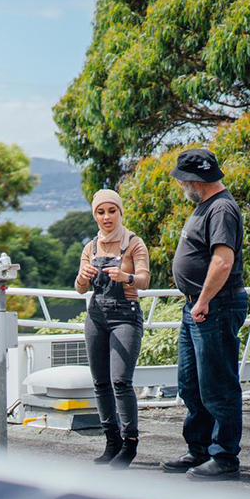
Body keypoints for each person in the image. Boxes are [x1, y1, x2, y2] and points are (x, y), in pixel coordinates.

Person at [161, 148, 250, 480]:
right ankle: (198, 450)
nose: (182, 185)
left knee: (218, 384)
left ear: (196, 180)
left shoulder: (222, 208)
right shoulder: (205, 206)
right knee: (191, 383)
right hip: (197, 305)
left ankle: (225, 457)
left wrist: (203, 301)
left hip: (214, 305)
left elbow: (223, 260)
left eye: (184, 180)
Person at [75, 189, 151, 468]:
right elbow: (80, 288)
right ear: (95, 215)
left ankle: (130, 442)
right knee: (100, 382)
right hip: (96, 316)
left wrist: (126, 276)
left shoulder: (133, 243)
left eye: (111, 211)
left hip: (126, 316)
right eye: (100, 212)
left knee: (120, 380)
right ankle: (112, 441)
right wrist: (81, 277)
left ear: (120, 212)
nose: (106, 217)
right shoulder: (90, 247)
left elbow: (145, 280)